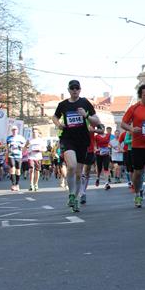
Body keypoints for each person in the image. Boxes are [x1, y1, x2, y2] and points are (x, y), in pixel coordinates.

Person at [52, 80, 100, 211]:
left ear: (80, 90)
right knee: (71, 166)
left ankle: (75, 198)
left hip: (82, 140)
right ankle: (71, 194)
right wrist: (58, 124)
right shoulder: (63, 105)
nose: (74, 90)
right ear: (68, 90)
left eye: (77, 88)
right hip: (67, 138)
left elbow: (97, 121)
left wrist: (86, 115)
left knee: (79, 174)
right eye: (72, 88)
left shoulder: (85, 103)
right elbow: (54, 117)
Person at [5, 125, 26, 191]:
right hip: (11, 155)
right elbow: (7, 147)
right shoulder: (9, 138)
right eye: (13, 130)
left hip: (19, 155)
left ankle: (17, 184)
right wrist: (7, 152)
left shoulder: (21, 138)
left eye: (15, 130)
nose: (14, 131)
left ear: (17, 130)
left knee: (18, 170)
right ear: (11, 131)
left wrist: (21, 146)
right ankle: (13, 184)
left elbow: (25, 146)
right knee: (12, 168)